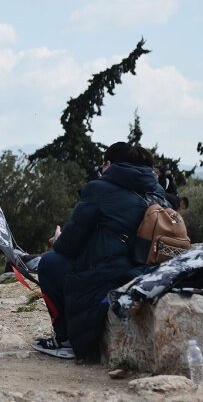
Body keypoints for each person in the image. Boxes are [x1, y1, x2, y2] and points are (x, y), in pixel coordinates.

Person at [32, 142, 167, 360]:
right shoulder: (158, 190)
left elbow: (69, 245)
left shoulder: (99, 189)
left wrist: (59, 238)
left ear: (109, 164)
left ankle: (64, 339)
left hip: (109, 276)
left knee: (49, 263)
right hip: (143, 272)